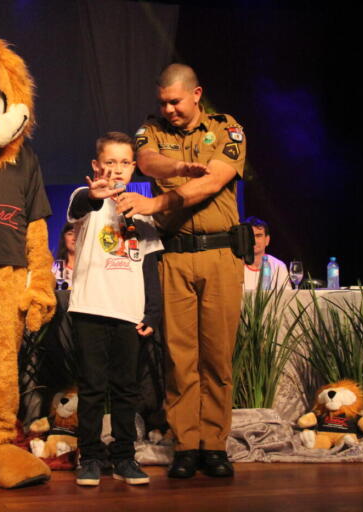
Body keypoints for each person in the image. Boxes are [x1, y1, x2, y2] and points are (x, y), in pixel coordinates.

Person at [119, 64, 247, 478]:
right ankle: (186, 444)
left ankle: (215, 444)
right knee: (180, 357)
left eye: (175, 101)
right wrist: (175, 170)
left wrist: (155, 205)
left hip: (219, 255)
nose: (169, 109)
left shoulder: (227, 129)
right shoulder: (153, 130)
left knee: (216, 355)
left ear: (196, 94)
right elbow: (148, 161)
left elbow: (212, 183)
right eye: (163, 102)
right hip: (174, 256)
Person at [67, 132, 163, 487]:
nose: (117, 170)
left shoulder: (143, 208)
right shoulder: (88, 199)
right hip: (90, 307)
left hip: (129, 313)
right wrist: (94, 195)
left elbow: (151, 267)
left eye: (124, 163)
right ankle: (90, 456)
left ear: (134, 167)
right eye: (110, 162)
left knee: (126, 389)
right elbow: (80, 206)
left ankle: (124, 456)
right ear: (96, 166)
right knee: (92, 388)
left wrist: (152, 314)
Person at [242, 216, 289, 290]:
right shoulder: (236, 268)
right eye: (249, 236)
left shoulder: (279, 267)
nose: (253, 241)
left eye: (258, 236)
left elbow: (287, 298)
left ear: (267, 240)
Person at [53, 222, 76, 288]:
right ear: (64, 238)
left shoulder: (89, 267)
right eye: (70, 234)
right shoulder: (56, 268)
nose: (74, 238)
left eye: (78, 234)